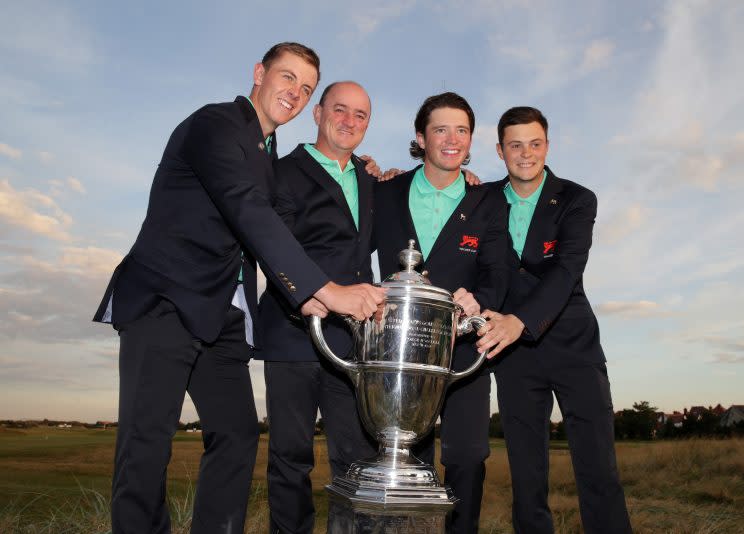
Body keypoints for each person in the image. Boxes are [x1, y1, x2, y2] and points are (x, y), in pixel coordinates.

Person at [92, 43, 384, 534]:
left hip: (224, 317)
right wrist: (326, 290)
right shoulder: (216, 125)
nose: (294, 91)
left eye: (305, 85)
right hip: (166, 299)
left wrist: (367, 170)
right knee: (147, 444)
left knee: (237, 434)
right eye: (287, 77)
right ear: (258, 73)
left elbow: (284, 225)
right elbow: (248, 209)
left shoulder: (268, 153)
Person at [475, 106, 632, 533]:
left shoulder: (578, 198)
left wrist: (518, 321)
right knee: (527, 477)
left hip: (572, 345)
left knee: (598, 469)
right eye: (515, 145)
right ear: (499, 150)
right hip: (513, 357)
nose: (526, 153)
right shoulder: (481, 198)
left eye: (535, 143)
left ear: (548, 145)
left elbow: (566, 272)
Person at [374, 92, 510, 533]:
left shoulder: (489, 200)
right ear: (421, 137)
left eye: (462, 130)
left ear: (471, 141)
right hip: (399, 351)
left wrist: (481, 301)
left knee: (468, 459)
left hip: (465, 350)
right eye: (440, 129)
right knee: (409, 458)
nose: (452, 139)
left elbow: (498, 269)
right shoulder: (385, 192)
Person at [255, 81, 378, 534]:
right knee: (290, 459)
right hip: (291, 333)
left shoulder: (370, 179)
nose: (349, 121)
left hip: (353, 343)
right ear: (318, 113)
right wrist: (309, 298)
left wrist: (464, 177)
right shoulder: (281, 173)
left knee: (355, 461)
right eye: (340, 110)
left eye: (360, 115)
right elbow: (275, 248)